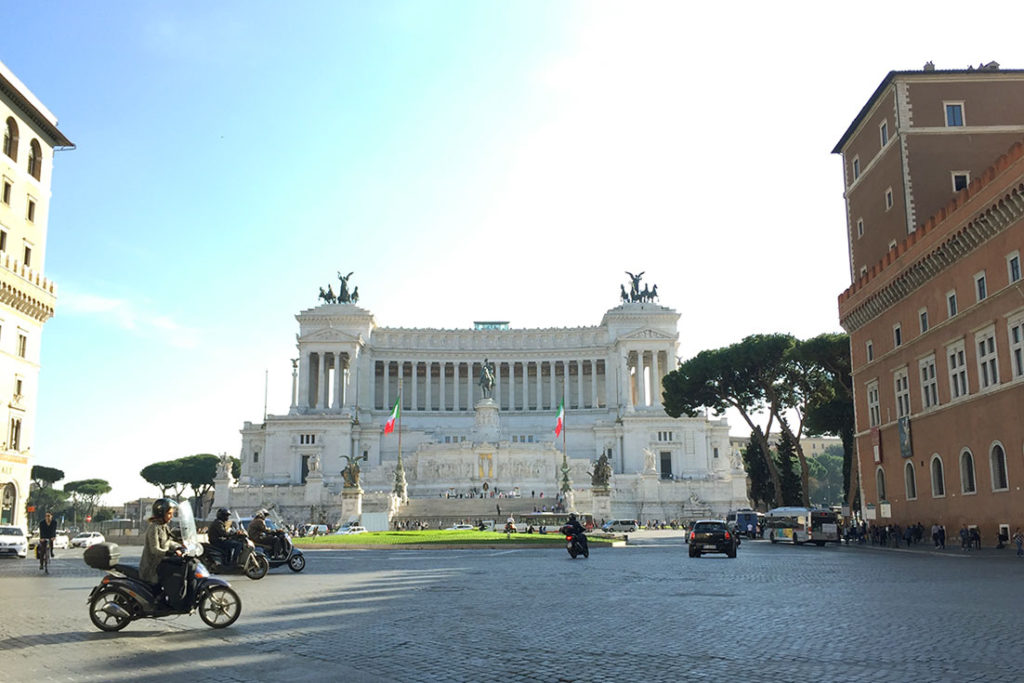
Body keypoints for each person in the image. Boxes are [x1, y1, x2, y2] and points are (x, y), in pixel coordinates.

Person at [140, 498, 184, 607]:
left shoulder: (163, 526)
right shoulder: (154, 528)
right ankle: (160, 602)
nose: (171, 516)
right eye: (169, 514)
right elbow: (155, 550)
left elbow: (168, 542)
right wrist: (168, 553)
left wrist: (180, 546)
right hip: (152, 567)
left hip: (161, 563)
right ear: (161, 513)